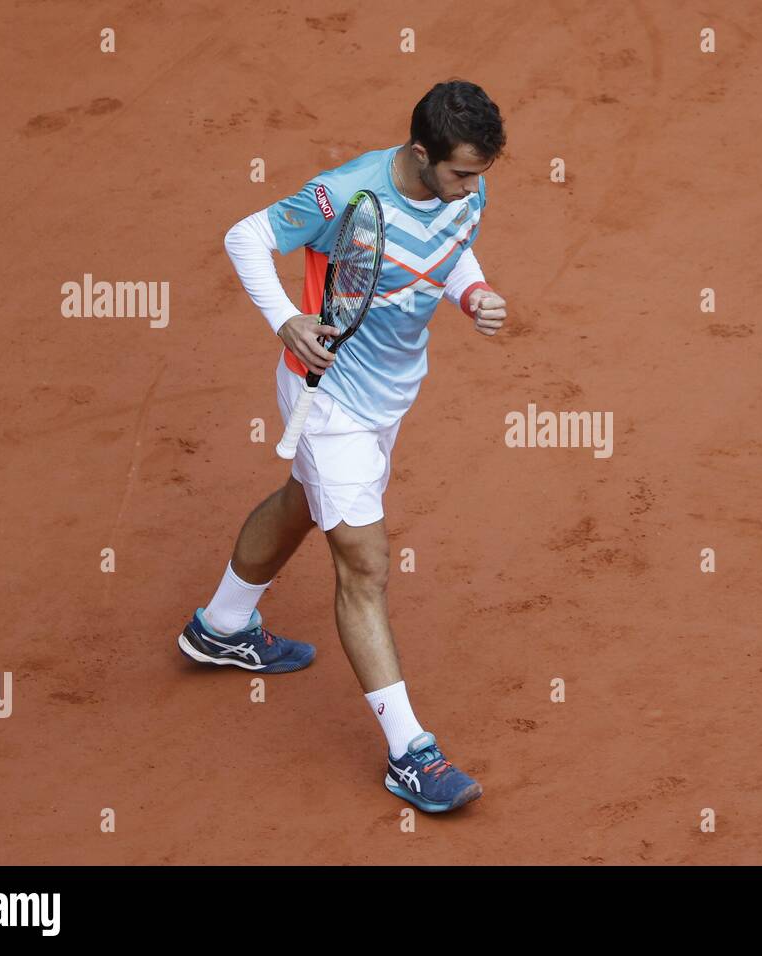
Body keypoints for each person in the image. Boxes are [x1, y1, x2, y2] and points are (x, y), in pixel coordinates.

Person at [176, 80, 507, 814]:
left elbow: (451, 251)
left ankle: (221, 627)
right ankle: (410, 755)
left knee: (305, 500)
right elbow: (246, 237)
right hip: (329, 400)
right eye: (460, 173)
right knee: (365, 562)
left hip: (390, 394)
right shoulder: (343, 196)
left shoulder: (463, 189)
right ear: (421, 155)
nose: (472, 189)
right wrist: (288, 319)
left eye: (481, 174)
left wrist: (472, 294)